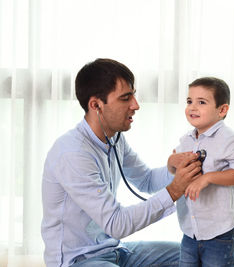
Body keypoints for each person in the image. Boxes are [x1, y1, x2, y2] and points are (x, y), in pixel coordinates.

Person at [41, 58, 202, 267]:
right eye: (126, 98)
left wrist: (174, 169)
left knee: (194, 255)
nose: (136, 105)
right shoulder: (72, 153)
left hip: (114, 250)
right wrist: (174, 190)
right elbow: (116, 224)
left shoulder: (115, 138)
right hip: (78, 261)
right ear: (95, 105)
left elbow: (146, 180)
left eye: (133, 95)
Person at [173, 77, 234, 266]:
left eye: (201, 102)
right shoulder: (186, 139)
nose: (192, 107)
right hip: (190, 229)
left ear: (222, 110)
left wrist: (208, 178)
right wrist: (171, 161)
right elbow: (174, 168)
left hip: (219, 232)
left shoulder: (230, 140)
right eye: (189, 101)